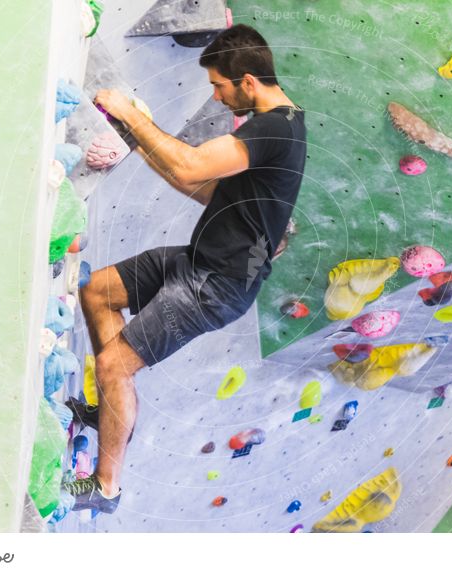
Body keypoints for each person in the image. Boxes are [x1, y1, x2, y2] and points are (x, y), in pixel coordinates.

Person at [63, 24, 307, 514]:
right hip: (201, 261)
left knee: (114, 365)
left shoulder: (276, 126)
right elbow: (196, 184)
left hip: (214, 287)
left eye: (220, 86)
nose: (217, 97)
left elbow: (193, 166)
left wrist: (132, 112)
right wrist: (137, 134)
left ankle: (106, 490)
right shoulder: (278, 128)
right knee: (98, 295)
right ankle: (112, 412)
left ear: (249, 81)